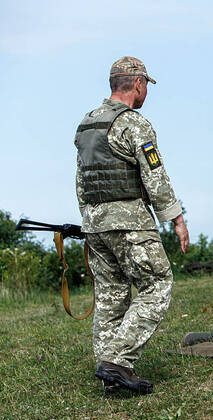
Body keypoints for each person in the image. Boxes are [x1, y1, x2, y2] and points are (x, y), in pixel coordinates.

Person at [75, 57, 189, 394]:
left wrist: (88, 220)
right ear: (137, 84)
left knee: (111, 296)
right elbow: (155, 177)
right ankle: (117, 361)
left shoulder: (86, 124)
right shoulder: (134, 124)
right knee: (157, 284)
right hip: (131, 224)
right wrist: (177, 219)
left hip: (96, 225)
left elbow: (81, 180)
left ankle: (110, 373)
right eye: (145, 87)